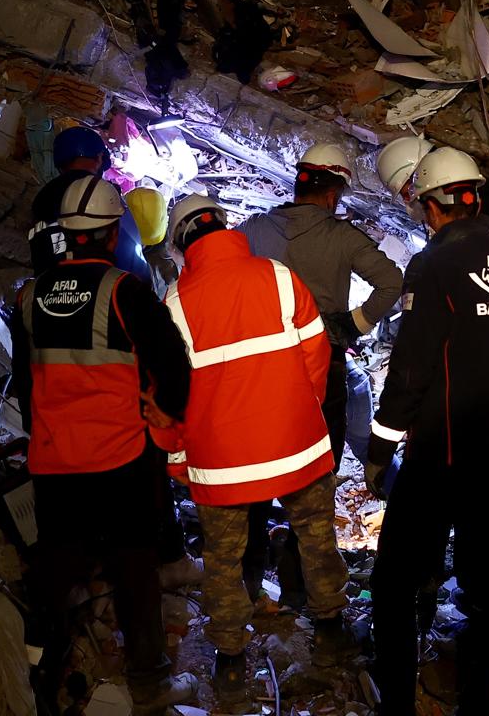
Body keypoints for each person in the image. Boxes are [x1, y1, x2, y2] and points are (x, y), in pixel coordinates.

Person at [366, 147, 489, 716]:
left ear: (433, 206)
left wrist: (379, 446)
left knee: (393, 587)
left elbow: (412, 369)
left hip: (441, 455)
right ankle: (477, 706)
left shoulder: (436, 268)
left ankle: (396, 702)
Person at [160, 193, 364, 699]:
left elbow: (169, 396)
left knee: (224, 562)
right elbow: (317, 354)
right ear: (225, 227)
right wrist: (302, 412)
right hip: (297, 447)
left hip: (223, 464)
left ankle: (230, 664)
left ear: (183, 242)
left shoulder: (176, 303)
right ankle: (331, 633)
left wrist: (179, 458)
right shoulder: (277, 276)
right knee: (318, 540)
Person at [10, 177, 195, 714]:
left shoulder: (28, 297)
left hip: (54, 462)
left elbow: (26, 385)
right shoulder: (126, 292)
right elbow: (174, 369)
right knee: (134, 572)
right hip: (121, 461)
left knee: (53, 573)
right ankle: (150, 683)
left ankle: (36, 677)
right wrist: (168, 412)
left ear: (67, 234)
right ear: (114, 234)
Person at [240, 143, 403, 469]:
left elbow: (220, 273)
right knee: (319, 462)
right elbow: (392, 282)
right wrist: (356, 323)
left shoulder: (253, 229)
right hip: (322, 360)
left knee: (262, 456)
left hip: (263, 358)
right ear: (332, 196)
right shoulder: (342, 237)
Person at [30, 126, 151, 285]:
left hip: (50, 290)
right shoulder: (102, 193)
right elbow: (130, 250)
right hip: (101, 290)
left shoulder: (42, 198)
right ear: (99, 158)